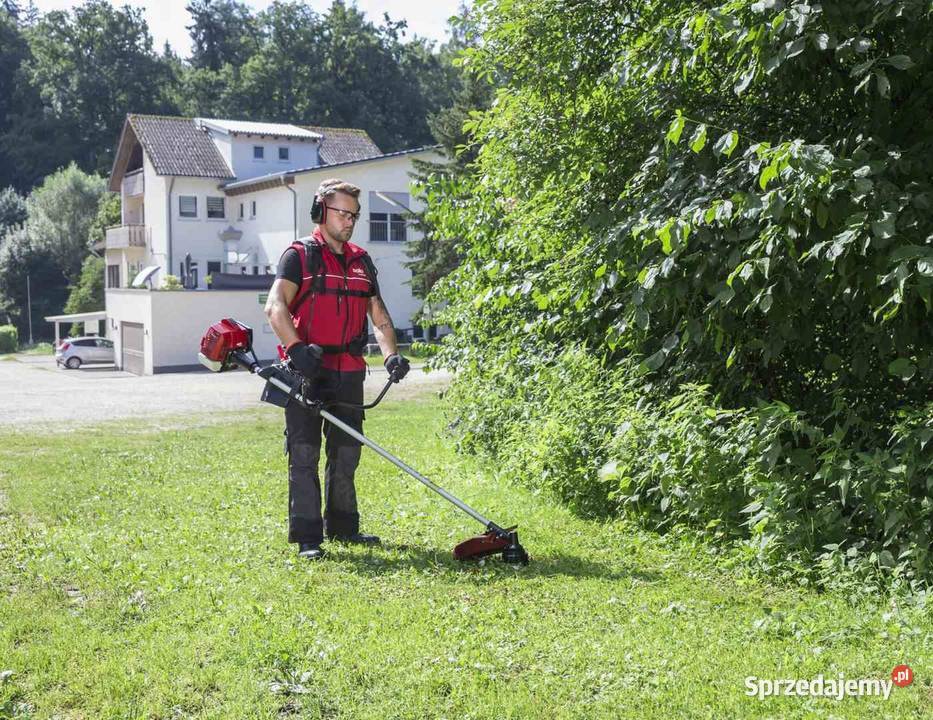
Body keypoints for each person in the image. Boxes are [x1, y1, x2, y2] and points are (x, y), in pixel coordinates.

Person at [264, 178, 410, 561]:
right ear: (320, 211)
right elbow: (275, 306)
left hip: (349, 372)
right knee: (304, 453)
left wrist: (391, 355)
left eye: (354, 215)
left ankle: (344, 528)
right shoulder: (299, 256)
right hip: (307, 373)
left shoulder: (362, 262)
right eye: (342, 213)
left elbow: (378, 315)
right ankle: (308, 537)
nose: (349, 221)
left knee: (347, 452)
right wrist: (296, 349)